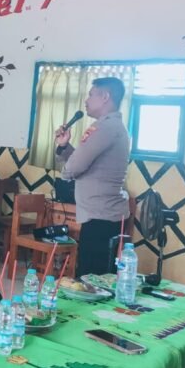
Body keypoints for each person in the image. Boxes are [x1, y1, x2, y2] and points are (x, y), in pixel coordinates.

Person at [55, 77, 131, 276]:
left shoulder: (105, 127)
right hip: (102, 214)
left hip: (101, 217)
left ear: (105, 96)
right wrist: (64, 146)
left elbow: (75, 167)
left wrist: (67, 170)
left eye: (90, 95)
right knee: (98, 277)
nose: (86, 100)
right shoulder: (112, 126)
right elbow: (86, 164)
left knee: (92, 279)